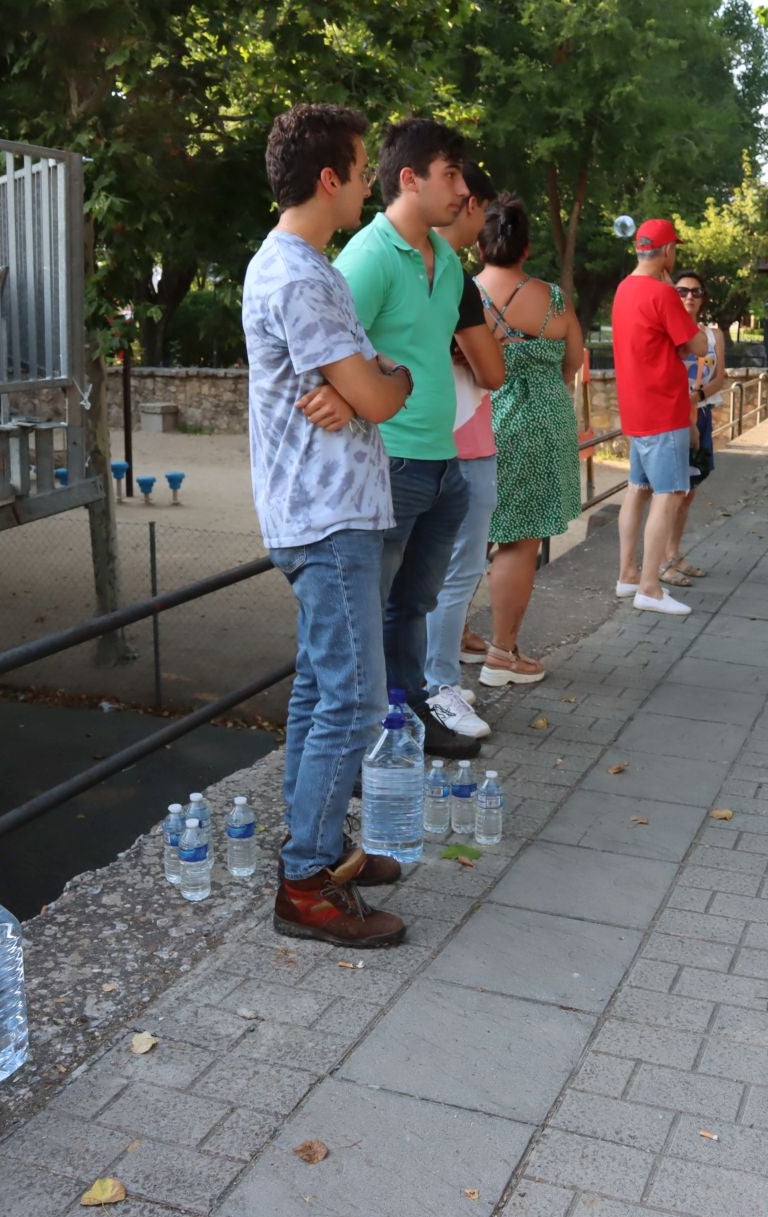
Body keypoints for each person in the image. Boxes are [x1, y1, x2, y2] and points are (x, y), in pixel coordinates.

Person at [243, 104, 411, 947]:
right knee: (351, 697)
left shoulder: (299, 266)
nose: (370, 184)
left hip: (319, 510)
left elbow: (375, 384)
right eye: (360, 165)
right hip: (326, 513)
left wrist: (377, 379)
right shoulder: (302, 277)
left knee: (321, 690)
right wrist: (380, 383)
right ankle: (306, 882)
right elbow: (381, 393)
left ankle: (316, 849)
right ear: (329, 178)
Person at [334, 118, 482, 760]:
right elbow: (322, 346)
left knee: (413, 604)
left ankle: (409, 717)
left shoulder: (448, 261)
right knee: (367, 612)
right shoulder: (367, 256)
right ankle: (367, 740)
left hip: (443, 462)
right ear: (409, 178)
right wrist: (334, 394)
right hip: (388, 462)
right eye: (450, 174)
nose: (461, 188)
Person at [473, 192, 586, 684]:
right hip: (540, 426)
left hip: (476, 423)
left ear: (479, 244)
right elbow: (574, 360)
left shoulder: (461, 293)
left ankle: (454, 637)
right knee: (519, 542)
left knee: (464, 538)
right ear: (526, 246)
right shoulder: (552, 299)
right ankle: (503, 652)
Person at [418, 163, 506, 732]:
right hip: (462, 444)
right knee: (457, 572)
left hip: (419, 440)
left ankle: (429, 682)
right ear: (467, 203)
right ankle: (439, 684)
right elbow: (492, 370)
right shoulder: (453, 276)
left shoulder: (417, 264)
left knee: (421, 577)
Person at [611, 219, 708, 615]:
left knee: (637, 488)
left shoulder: (623, 289)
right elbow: (698, 344)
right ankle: (649, 588)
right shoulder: (663, 293)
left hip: (635, 406)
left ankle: (627, 574)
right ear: (667, 253)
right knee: (668, 494)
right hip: (664, 407)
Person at [658, 269, 728, 585]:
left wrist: (695, 398)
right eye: (682, 291)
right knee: (671, 492)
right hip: (672, 418)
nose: (689, 297)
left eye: (696, 292)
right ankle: (660, 563)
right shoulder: (668, 332)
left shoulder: (713, 336)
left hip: (699, 414)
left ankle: (673, 554)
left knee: (689, 492)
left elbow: (720, 378)